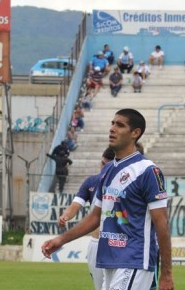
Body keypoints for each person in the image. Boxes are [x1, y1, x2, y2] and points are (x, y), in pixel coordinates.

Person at [41, 109, 174, 290]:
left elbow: (162, 223)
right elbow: (95, 216)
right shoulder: (108, 170)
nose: (112, 128)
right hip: (109, 259)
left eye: (120, 125)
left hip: (134, 260)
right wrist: (61, 240)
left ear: (135, 133)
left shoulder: (147, 171)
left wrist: (166, 273)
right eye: (112, 123)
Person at [57, 147, 115, 290]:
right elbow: (76, 204)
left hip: (116, 243)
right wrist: (66, 216)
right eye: (102, 164)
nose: (103, 168)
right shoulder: (92, 182)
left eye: (106, 165)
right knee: (99, 287)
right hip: (96, 243)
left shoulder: (123, 183)